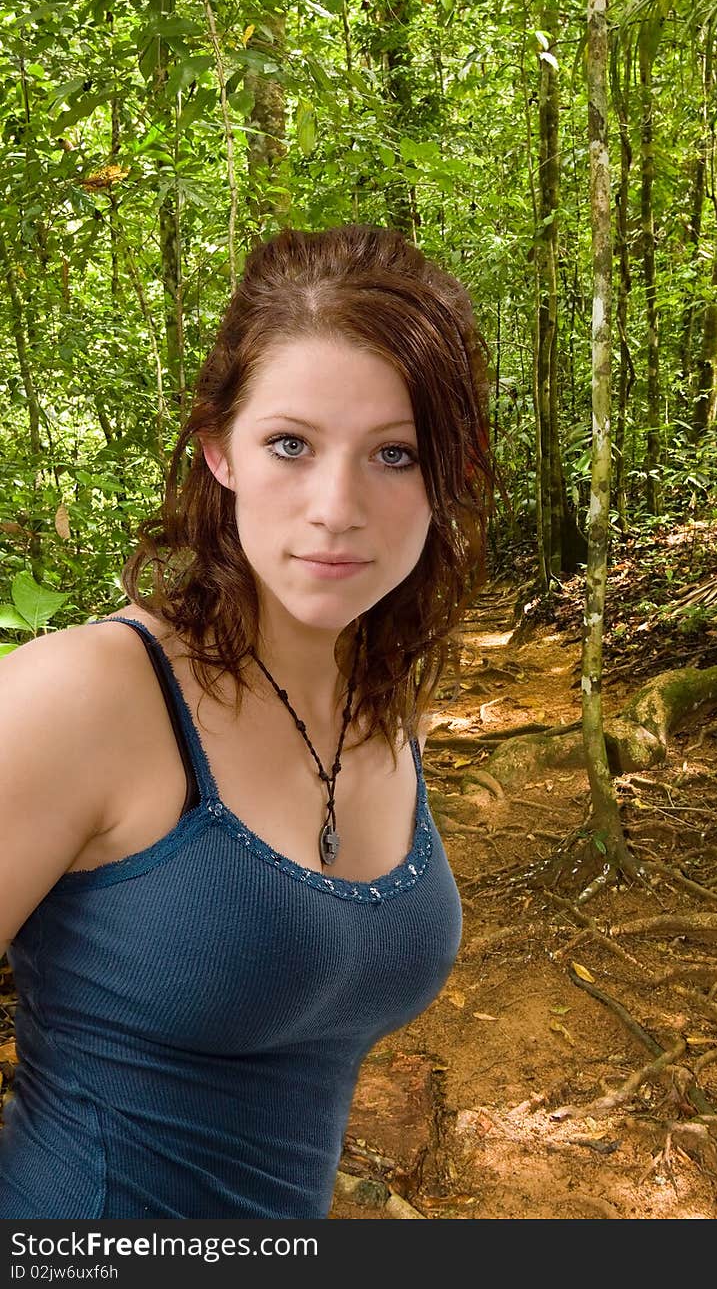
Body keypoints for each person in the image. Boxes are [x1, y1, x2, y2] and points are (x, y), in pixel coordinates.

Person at [0, 224, 493, 1219]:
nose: (335, 506)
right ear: (220, 448)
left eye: (393, 454)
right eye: (291, 444)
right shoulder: (87, 696)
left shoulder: (387, 697)